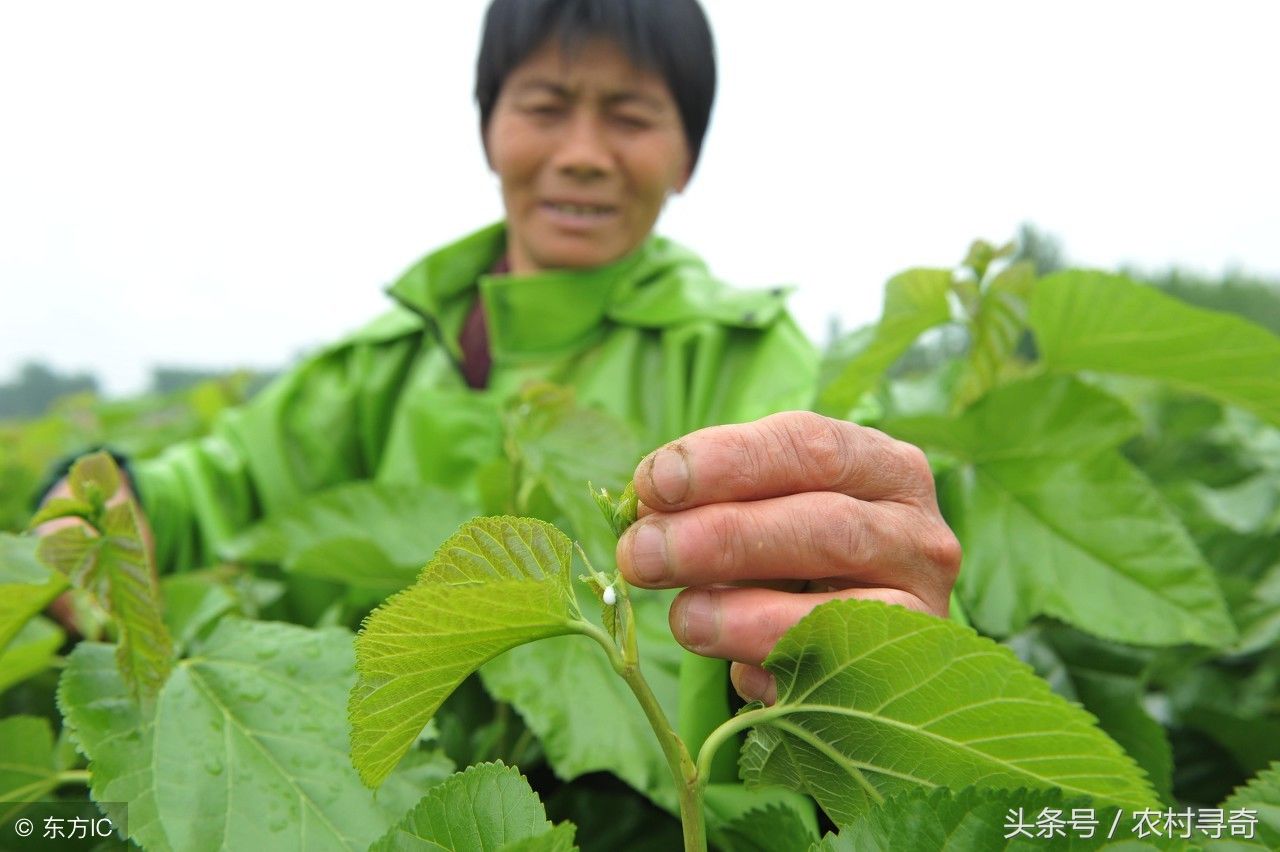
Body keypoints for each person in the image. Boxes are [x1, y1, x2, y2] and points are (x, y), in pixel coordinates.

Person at [44, 0, 958, 741]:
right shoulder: (385, 366)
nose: (584, 154)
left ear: (687, 157)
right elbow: (215, 487)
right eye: (545, 107)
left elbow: (863, 542)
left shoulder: (750, 357)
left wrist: (885, 623)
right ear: (489, 131)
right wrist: (105, 502)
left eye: (632, 116)